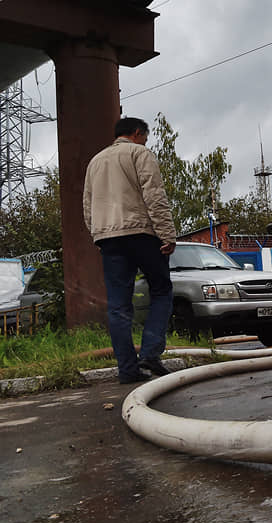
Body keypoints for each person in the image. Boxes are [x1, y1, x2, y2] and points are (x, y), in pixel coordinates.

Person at [83, 117, 176, 384]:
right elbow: (154, 196)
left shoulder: (95, 161)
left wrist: (98, 234)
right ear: (137, 133)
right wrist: (167, 235)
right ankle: (149, 353)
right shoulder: (140, 153)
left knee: (118, 306)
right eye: (145, 137)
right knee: (161, 290)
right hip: (143, 234)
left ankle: (127, 370)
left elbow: (87, 205)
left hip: (109, 239)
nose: (146, 141)